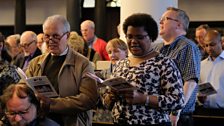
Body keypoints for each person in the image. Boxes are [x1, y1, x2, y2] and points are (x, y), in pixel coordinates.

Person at [102, 13, 184, 126]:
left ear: (151, 37)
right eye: (129, 36)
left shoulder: (163, 63)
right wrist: (111, 95)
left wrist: (144, 99)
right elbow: (106, 103)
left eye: (139, 37)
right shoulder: (121, 64)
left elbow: (177, 101)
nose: (133, 41)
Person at [25, 14, 98, 126]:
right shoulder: (36, 62)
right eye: (47, 36)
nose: (50, 40)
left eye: (56, 36)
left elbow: (88, 99)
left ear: (67, 36)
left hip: (71, 122)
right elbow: (24, 88)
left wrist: (53, 104)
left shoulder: (83, 64)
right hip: (39, 120)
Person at [156, 7, 201, 126]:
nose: (160, 22)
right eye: (160, 19)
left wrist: (176, 112)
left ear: (178, 25)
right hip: (157, 113)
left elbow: (190, 81)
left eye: (165, 19)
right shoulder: (156, 48)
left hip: (177, 117)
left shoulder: (187, 46)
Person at [199, 29, 224, 108]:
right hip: (205, 111)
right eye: (206, 45)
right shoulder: (201, 65)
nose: (209, 48)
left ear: (221, 42)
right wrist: (200, 98)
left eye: (212, 44)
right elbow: (198, 88)